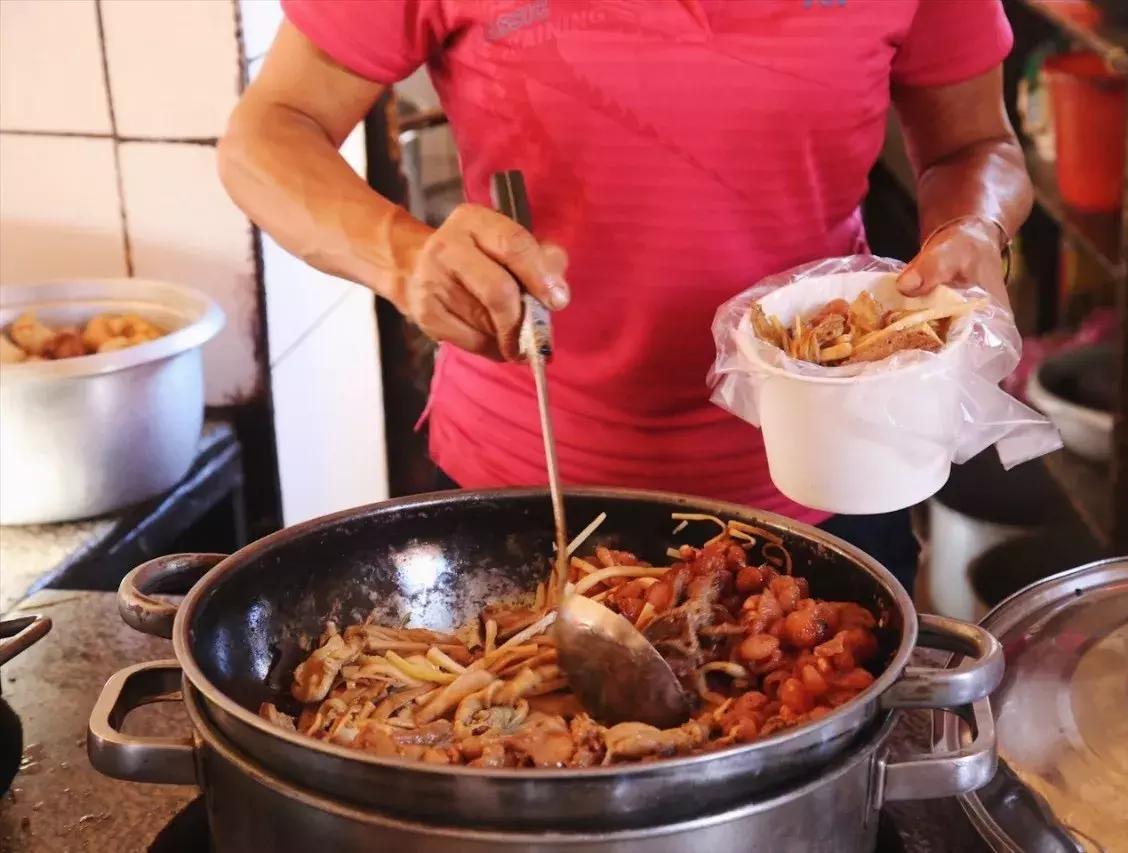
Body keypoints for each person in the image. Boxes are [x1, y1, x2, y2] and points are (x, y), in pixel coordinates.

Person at [218, 0, 1032, 593]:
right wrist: (403, 257)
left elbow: (974, 143)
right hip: (521, 484)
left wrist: (973, 227)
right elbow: (267, 133)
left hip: (831, 474)